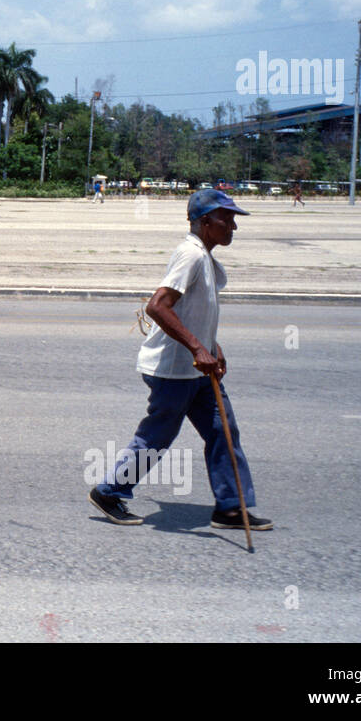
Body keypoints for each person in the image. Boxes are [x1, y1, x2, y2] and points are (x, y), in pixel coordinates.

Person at [88, 188, 272, 531]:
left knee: (224, 431)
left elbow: (195, 312)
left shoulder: (203, 255)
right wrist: (197, 349)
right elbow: (157, 306)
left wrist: (212, 346)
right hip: (173, 369)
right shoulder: (190, 255)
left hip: (197, 369)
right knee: (157, 437)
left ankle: (231, 507)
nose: (234, 227)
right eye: (227, 219)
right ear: (206, 222)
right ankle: (108, 490)